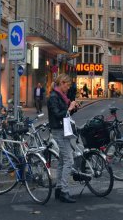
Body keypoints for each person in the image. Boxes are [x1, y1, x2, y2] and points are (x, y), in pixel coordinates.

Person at [47, 74, 79, 203]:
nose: (68, 88)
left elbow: (66, 113)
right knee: (69, 160)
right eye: (67, 85)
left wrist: (74, 109)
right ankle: (64, 191)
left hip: (63, 130)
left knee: (61, 161)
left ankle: (59, 189)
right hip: (59, 131)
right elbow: (58, 114)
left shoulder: (61, 96)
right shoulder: (54, 97)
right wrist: (69, 108)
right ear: (61, 83)